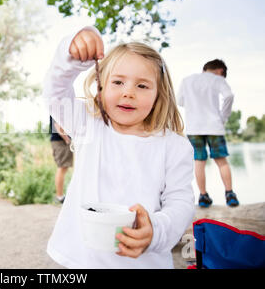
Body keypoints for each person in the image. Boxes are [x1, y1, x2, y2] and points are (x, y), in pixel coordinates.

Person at [42, 26, 195, 268]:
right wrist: (70, 51)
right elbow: (54, 92)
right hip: (83, 260)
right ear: (101, 88)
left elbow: (181, 201)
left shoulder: (175, 145)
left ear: (159, 94)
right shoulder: (87, 125)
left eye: (142, 86)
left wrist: (156, 230)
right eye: (118, 82)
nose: (128, 93)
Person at [177, 59, 239, 208]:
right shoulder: (217, 79)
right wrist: (222, 118)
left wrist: (194, 106)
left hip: (194, 127)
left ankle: (203, 196)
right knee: (221, 160)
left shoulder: (187, 80)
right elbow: (229, 96)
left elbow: (180, 101)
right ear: (219, 71)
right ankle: (230, 194)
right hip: (214, 126)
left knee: (199, 161)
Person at [50, 116, 73, 204]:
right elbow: (58, 126)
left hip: (60, 141)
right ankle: (60, 196)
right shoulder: (58, 107)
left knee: (63, 168)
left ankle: (60, 196)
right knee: (62, 167)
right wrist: (67, 140)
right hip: (61, 142)